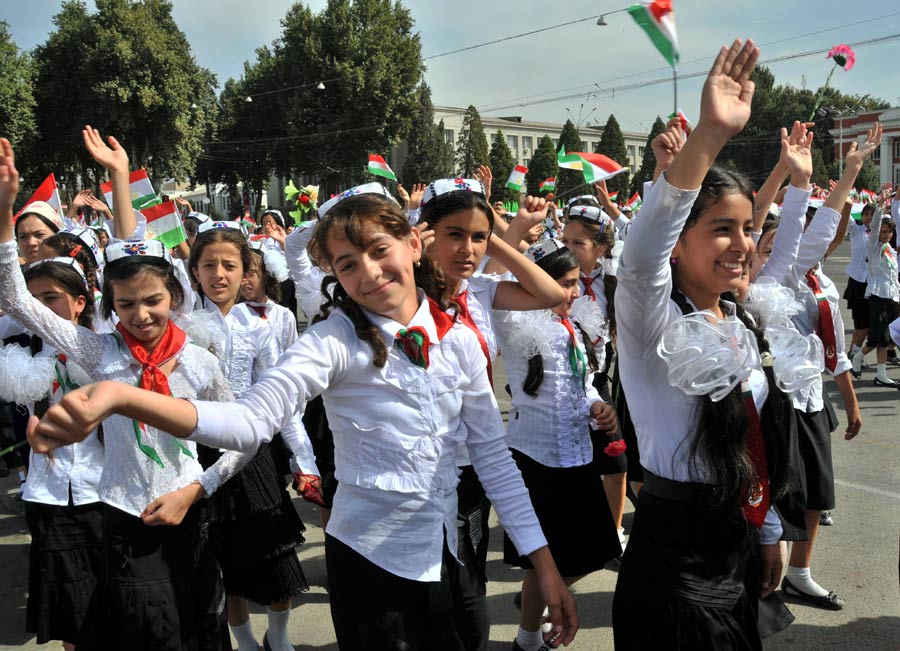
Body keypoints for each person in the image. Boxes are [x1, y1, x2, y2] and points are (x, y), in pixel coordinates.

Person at [28, 193, 579, 651]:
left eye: (378, 250)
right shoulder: (333, 340)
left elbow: (493, 458)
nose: (367, 272)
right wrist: (121, 397)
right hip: (370, 562)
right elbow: (247, 423)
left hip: (448, 552)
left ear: (414, 245)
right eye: (346, 264)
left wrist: (544, 563)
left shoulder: (458, 340)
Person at [0, 135, 230, 650]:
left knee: (199, 628)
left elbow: (246, 439)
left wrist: (194, 491)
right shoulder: (98, 353)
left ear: (175, 296)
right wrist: (5, 211)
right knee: (144, 633)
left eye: (152, 301)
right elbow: (15, 296)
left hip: (191, 514)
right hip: (124, 520)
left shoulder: (199, 361)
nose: (140, 316)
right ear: (110, 305)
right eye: (125, 305)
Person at [613, 39, 795, 649]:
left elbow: (751, 439)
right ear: (679, 242)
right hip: (674, 564)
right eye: (722, 229)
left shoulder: (741, 325)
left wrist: (767, 529)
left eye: (748, 228)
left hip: (736, 545)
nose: (743, 244)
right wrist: (711, 136)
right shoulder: (651, 326)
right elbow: (641, 256)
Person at [419, 179, 566, 651]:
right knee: (425, 595)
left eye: (476, 238)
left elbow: (548, 293)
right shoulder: (399, 298)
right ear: (425, 235)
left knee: (469, 585)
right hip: (418, 467)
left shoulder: (480, 290)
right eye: (453, 234)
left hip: (475, 458)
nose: (467, 249)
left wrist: (491, 233)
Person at [494, 239, 621, 651]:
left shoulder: (573, 324)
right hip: (536, 460)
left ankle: (536, 608)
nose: (573, 293)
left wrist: (597, 404)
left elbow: (581, 384)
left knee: (589, 551)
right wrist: (503, 231)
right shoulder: (516, 322)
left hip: (577, 455)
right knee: (543, 558)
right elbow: (496, 277)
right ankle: (528, 639)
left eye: (574, 283)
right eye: (564, 284)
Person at [188, 220, 310, 651]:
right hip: (198, 456)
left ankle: (278, 639)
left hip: (252, 455)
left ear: (245, 272)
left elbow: (281, 400)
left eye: (229, 265)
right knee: (225, 568)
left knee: (274, 562)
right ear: (195, 272)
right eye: (208, 265)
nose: (219, 274)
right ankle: (244, 642)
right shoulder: (179, 326)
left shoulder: (260, 326)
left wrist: (303, 459)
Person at [0, 256, 101, 650]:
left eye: (51, 297)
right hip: (50, 497)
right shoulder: (17, 361)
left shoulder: (102, 351)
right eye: (32, 300)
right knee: (72, 617)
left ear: (80, 302)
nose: (40, 308)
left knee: (115, 606)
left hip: (104, 493)